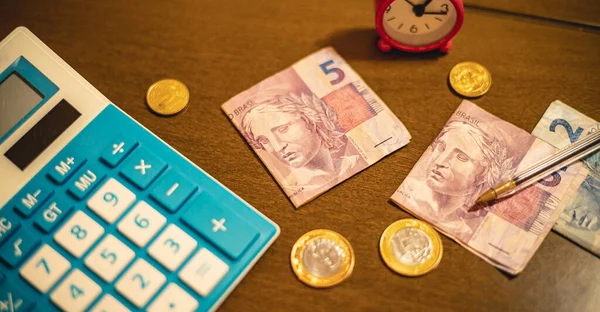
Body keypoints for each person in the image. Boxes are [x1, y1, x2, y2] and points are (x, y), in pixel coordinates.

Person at [400, 120, 516, 240]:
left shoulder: (465, 232)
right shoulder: (405, 191)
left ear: (484, 174)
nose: (440, 162)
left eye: (461, 157)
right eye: (441, 148)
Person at [241, 92, 361, 193]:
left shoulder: (353, 161)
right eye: (264, 141)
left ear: (310, 121)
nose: (278, 147)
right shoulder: (291, 189)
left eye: (283, 129)